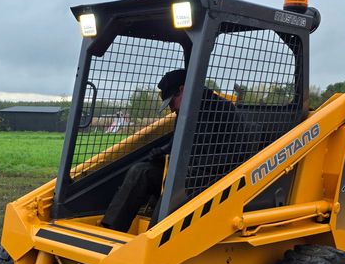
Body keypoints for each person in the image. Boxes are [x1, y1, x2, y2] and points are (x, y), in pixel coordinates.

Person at [100, 68, 247, 231]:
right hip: (184, 173)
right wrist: (162, 152)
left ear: (183, 90)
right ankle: (111, 228)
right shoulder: (183, 113)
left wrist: (193, 163)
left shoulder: (223, 110)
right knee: (140, 171)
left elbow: (234, 155)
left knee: (178, 181)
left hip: (211, 179)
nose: (171, 109)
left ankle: (153, 236)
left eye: (171, 103)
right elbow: (176, 143)